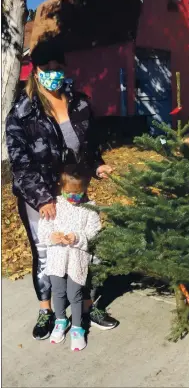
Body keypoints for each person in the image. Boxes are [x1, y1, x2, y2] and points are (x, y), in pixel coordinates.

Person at [6, 38, 118, 341]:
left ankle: (86, 305)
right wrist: (42, 198)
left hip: (74, 192)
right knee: (46, 251)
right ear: (36, 69)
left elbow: (89, 147)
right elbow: (20, 162)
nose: (53, 71)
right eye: (46, 67)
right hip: (39, 196)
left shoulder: (79, 102)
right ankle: (47, 311)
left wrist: (98, 166)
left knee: (84, 246)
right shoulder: (22, 111)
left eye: (58, 66)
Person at [38, 164, 101, 351]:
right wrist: (52, 236)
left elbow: (94, 232)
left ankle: (77, 328)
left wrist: (78, 237)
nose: (73, 198)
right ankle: (60, 320)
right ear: (61, 187)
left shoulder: (90, 209)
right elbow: (43, 229)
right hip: (57, 257)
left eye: (78, 194)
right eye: (69, 193)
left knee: (75, 294)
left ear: (85, 189)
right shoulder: (54, 205)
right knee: (57, 292)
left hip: (77, 259)